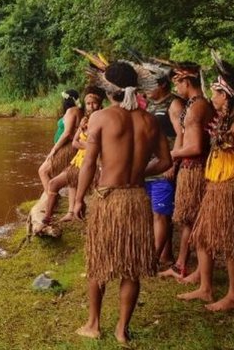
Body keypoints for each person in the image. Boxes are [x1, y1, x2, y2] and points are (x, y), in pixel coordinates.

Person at [72, 61, 172, 345]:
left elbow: (89, 163)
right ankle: (122, 330)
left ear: (110, 89)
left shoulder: (101, 118)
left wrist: (78, 199)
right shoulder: (150, 120)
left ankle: (93, 324)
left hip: (109, 197)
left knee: (100, 261)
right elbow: (166, 162)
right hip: (137, 198)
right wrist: (140, 171)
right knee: (131, 266)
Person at [178, 54, 234, 311]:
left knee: (230, 242)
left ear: (225, 95)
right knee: (203, 237)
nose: (212, 97)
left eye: (215, 93)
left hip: (231, 189)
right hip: (215, 188)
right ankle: (205, 288)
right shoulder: (225, 121)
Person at [159, 62, 213, 282]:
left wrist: (171, 156)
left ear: (186, 81)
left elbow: (197, 147)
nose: (176, 88)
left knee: (191, 219)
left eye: (177, 82)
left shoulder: (196, 106)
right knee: (189, 219)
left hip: (195, 168)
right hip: (192, 167)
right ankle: (183, 265)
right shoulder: (196, 104)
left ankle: (186, 266)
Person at [38, 86, 104, 230]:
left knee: (93, 190)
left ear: (100, 104)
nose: (91, 106)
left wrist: (87, 146)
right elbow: (74, 142)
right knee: (54, 184)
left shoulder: (103, 119)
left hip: (95, 163)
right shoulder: (84, 120)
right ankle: (48, 219)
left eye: (94, 103)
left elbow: (101, 145)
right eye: (88, 103)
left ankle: (87, 215)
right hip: (78, 161)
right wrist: (88, 144)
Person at [144, 68, 184, 266]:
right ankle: (165, 255)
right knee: (157, 213)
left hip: (165, 165)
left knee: (161, 213)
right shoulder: (150, 104)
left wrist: (173, 163)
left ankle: (153, 260)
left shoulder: (174, 103)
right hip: (150, 165)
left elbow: (181, 134)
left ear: (162, 85)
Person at [38, 89, 82, 194]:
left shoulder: (72, 111)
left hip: (66, 147)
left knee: (43, 171)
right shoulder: (78, 110)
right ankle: (54, 198)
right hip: (69, 147)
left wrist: (54, 149)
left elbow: (67, 133)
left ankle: (51, 199)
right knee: (65, 175)